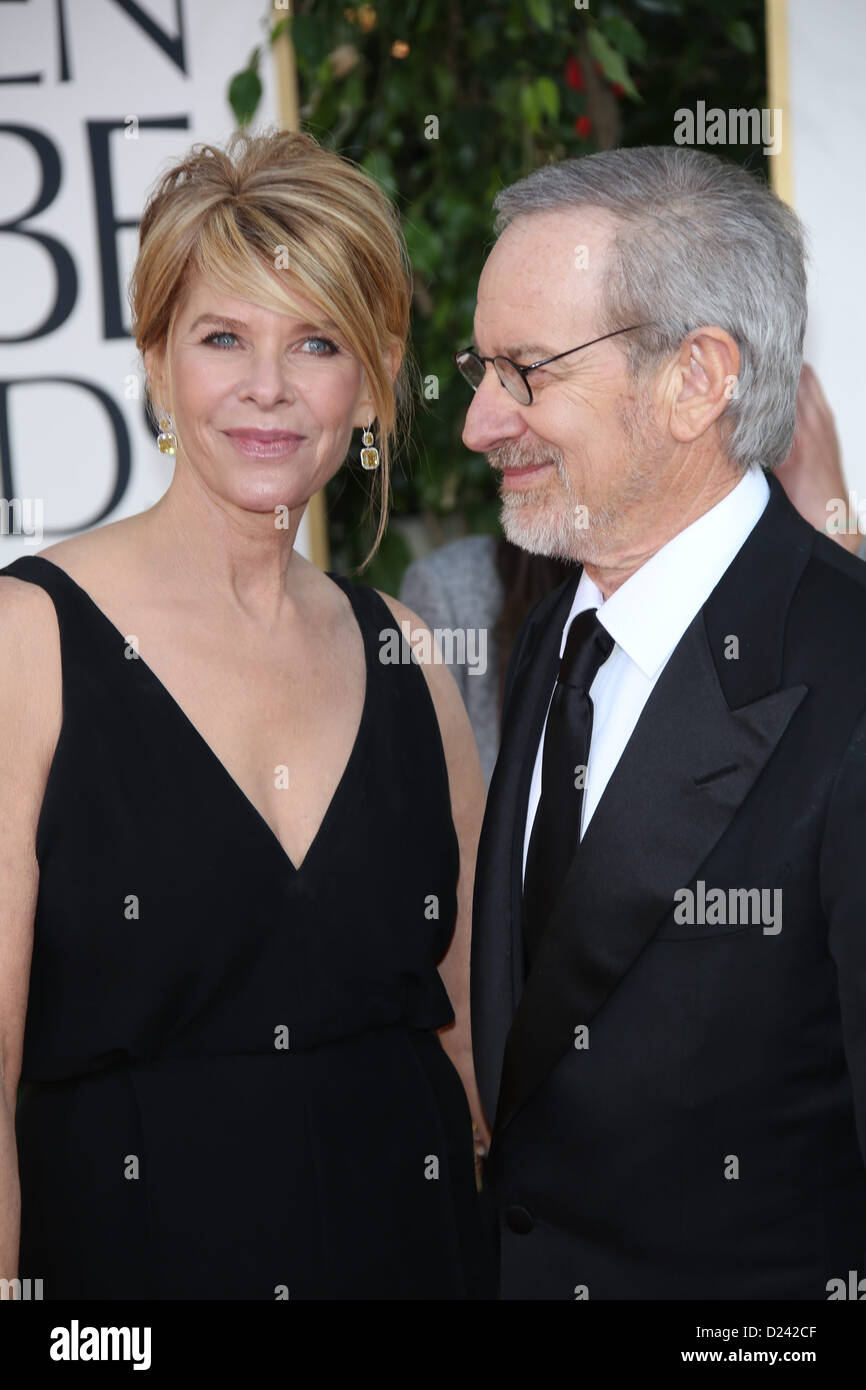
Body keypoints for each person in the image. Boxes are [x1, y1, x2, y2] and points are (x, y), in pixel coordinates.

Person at [0, 127, 494, 1300]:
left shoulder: (410, 656)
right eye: (223, 337)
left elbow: (475, 1048)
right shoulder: (27, 641)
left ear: (373, 377)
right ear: (158, 360)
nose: (267, 387)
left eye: (315, 341)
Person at [463, 145, 866, 1299]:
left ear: (696, 379)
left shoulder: (843, 680)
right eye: (479, 367)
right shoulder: (557, 637)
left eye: (526, 369)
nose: (481, 420)